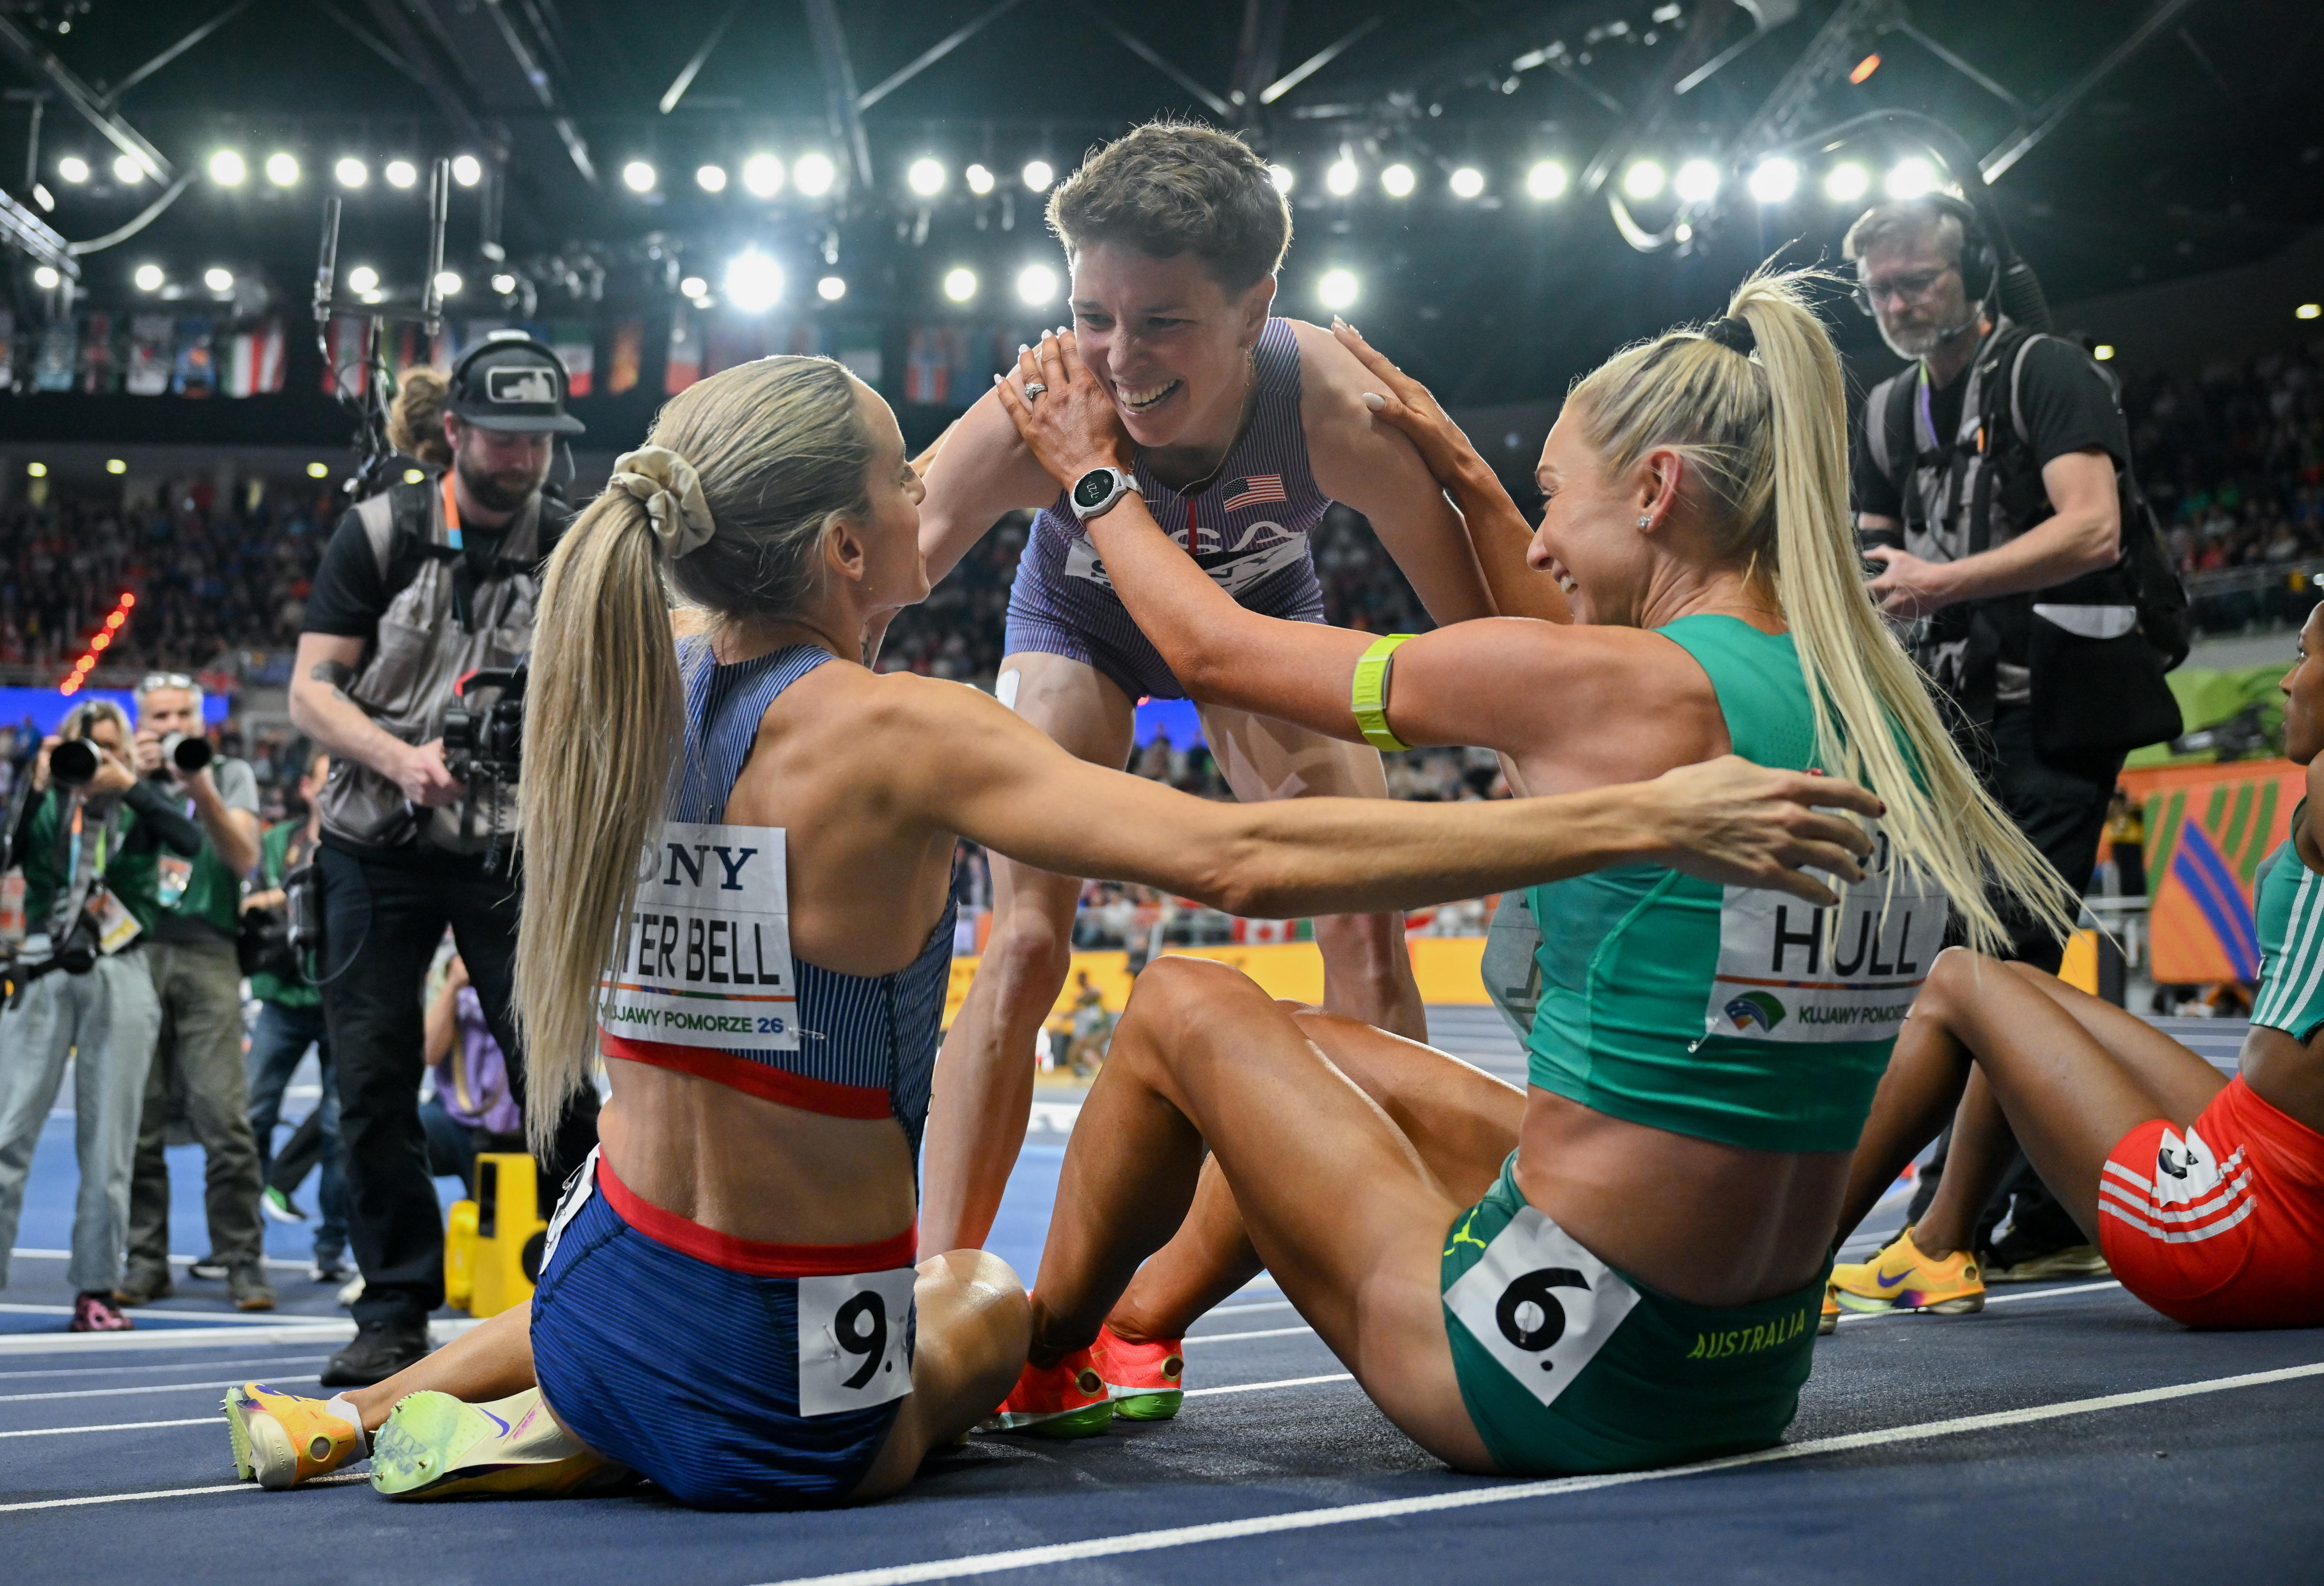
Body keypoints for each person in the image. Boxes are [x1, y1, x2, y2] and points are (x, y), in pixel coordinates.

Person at [218, 353, 1881, 1505]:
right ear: (859, 544)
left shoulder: (617, 669)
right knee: (987, 1300)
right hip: (790, 1396)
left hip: (607, 1292)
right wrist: (1639, 812)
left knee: (636, 1225)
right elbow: (1237, 857)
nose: (939, 503)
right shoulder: (897, 727)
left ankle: (368, 1403)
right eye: (907, 481)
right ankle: (585, 1429)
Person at [973, 273, 2068, 1470]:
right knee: (1313, 1055)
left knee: (1186, 1004)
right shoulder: (1876, 702)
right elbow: (1573, 640)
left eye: (1552, 498)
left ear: (1654, 490)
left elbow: (1209, 649)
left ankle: (1044, 1357)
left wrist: (1094, 476)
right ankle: (1137, 1327)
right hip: (1749, 1371)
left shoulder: (1614, 690)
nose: (1537, 540)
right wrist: (1476, 482)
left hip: (1543, 1373)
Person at [910, 121, 1569, 1258]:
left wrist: (1534, 750)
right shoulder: (1043, 405)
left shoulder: (1329, 404)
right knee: (1021, 945)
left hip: (1260, 630)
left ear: (1256, 310)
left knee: (1365, 921)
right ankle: (938, 1279)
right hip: (1080, 625)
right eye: (1092, 316)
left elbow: (1471, 614)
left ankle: (1425, 1258)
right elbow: (881, 563)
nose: (1118, 358)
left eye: (1163, 320)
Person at [1827, 603, 2324, 1330]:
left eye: (2306, 656)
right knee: (2027, 996)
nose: (2287, 682)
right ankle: (1935, 1244)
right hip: (2278, 1165)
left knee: (1959, 980)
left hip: (2239, 1231)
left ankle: (1777, 1275)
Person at [1846, 195, 2176, 1277]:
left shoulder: (2044, 370)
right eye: (1880, 288)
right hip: (1958, 725)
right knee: (1979, 968)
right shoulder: (1890, 409)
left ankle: (1950, 1233)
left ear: (1974, 273)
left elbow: (2092, 527)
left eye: (1919, 281)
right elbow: (1876, 558)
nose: (1896, 304)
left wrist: (1941, 579)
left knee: (1997, 963)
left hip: (2060, 710)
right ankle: (2047, 1207)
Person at [288, 331, 600, 1385]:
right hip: (373, 836)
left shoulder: (574, 542)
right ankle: (393, 1302)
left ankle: (588, 1274)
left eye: (540, 442)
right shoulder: (378, 533)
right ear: (456, 432)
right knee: (371, 1075)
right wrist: (400, 757)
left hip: (506, 841)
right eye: (504, 438)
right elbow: (309, 691)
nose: (522, 460)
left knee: (552, 1066)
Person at [0, 702, 202, 1335]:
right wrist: (35, 788)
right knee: (2, 1135)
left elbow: (191, 841)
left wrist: (133, 786)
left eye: (111, 748)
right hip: (41, 965)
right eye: (89, 748)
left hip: (122, 968)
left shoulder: (141, 804)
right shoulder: (48, 800)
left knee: (110, 1145)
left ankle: (95, 1291)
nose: (96, 761)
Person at [117, 675, 273, 1312]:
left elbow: (243, 859)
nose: (174, 722)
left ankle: (241, 1259)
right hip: (133, 949)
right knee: (138, 1119)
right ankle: (145, 1258)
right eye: (161, 715)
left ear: (203, 719)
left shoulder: (229, 771)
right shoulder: (120, 774)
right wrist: (129, 780)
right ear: (140, 724)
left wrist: (196, 782)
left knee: (224, 1116)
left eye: (185, 712)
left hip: (210, 947)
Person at [241, 749, 352, 1284]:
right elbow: (249, 902)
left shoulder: (362, 842)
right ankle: (244, 1244)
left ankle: (330, 1247)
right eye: (323, 776)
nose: (332, 784)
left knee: (339, 1127)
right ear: (307, 787)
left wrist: (282, 895)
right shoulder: (275, 840)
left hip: (341, 998)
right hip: (281, 994)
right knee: (253, 1113)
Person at [418, 949, 521, 1192]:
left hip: (519, 1119)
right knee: (395, 1134)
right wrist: (453, 986)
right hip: (456, 1117)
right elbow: (430, 1054)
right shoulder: (448, 967)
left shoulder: (529, 966)